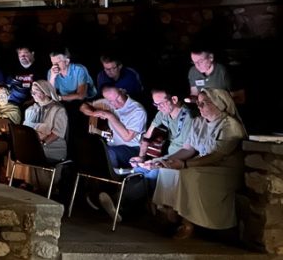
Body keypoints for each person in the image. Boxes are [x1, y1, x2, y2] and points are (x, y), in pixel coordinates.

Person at [147, 88, 246, 238]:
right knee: (167, 170)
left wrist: (185, 165)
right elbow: (188, 149)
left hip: (225, 168)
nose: (199, 106)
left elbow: (216, 156)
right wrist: (165, 161)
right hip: (204, 164)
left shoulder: (230, 126)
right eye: (198, 102)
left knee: (189, 174)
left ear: (218, 104)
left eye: (204, 103)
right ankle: (170, 214)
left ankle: (188, 222)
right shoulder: (198, 122)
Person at [129, 87, 196, 197]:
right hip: (167, 157)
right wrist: (141, 157)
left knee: (153, 175)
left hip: (181, 159)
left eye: (160, 104)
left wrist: (160, 161)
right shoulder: (163, 113)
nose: (158, 108)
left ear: (174, 100)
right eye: (155, 104)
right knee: (138, 170)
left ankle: (123, 200)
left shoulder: (189, 117)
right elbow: (147, 137)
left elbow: (188, 150)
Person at [14, 80, 69, 190]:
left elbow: (57, 133)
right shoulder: (30, 109)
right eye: (32, 92)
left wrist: (42, 143)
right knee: (19, 148)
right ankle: (21, 179)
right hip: (33, 143)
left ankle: (33, 184)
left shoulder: (58, 110)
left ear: (45, 92)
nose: (33, 94)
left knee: (32, 150)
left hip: (53, 145)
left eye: (36, 91)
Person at [79, 85, 148, 168]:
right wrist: (94, 113)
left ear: (122, 91)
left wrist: (110, 116)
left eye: (118, 98)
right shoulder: (108, 102)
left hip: (133, 148)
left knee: (108, 153)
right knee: (86, 148)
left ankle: (113, 175)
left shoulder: (137, 110)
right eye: (111, 101)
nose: (116, 104)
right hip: (112, 145)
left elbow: (127, 137)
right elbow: (83, 106)